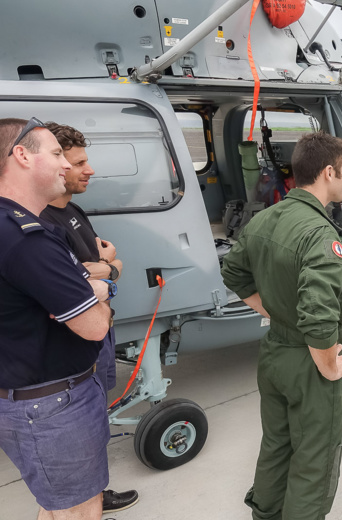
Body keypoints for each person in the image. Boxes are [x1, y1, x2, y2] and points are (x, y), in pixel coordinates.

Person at [221, 132, 342, 519]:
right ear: (328, 172)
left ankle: (265, 512)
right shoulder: (320, 234)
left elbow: (234, 272)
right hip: (306, 364)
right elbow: (319, 314)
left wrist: (271, 312)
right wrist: (329, 366)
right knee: (314, 455)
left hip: (273, 354)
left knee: (277, 442)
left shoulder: (267, 217)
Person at [0, 118, 113, 519]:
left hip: (35, 398)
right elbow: (95, 324)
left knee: (59, 507)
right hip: (51, 406)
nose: (65, 166)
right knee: (78, 511)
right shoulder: (25, 238)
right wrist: (102, 289)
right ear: (22, 156)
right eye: (55, 154)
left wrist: (89, 287)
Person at [38, 123, 139, 513]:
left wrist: (100, 265)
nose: (89, 169)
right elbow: (82, 271)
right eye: (79, 162)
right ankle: (87, 497)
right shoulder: (41, 221)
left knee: (96, 415)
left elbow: (89, 263)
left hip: (99, 337)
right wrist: (110, 267)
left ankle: (95, 489)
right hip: (75, 344)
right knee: (83, 422)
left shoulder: (73, 211)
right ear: (58, 165)